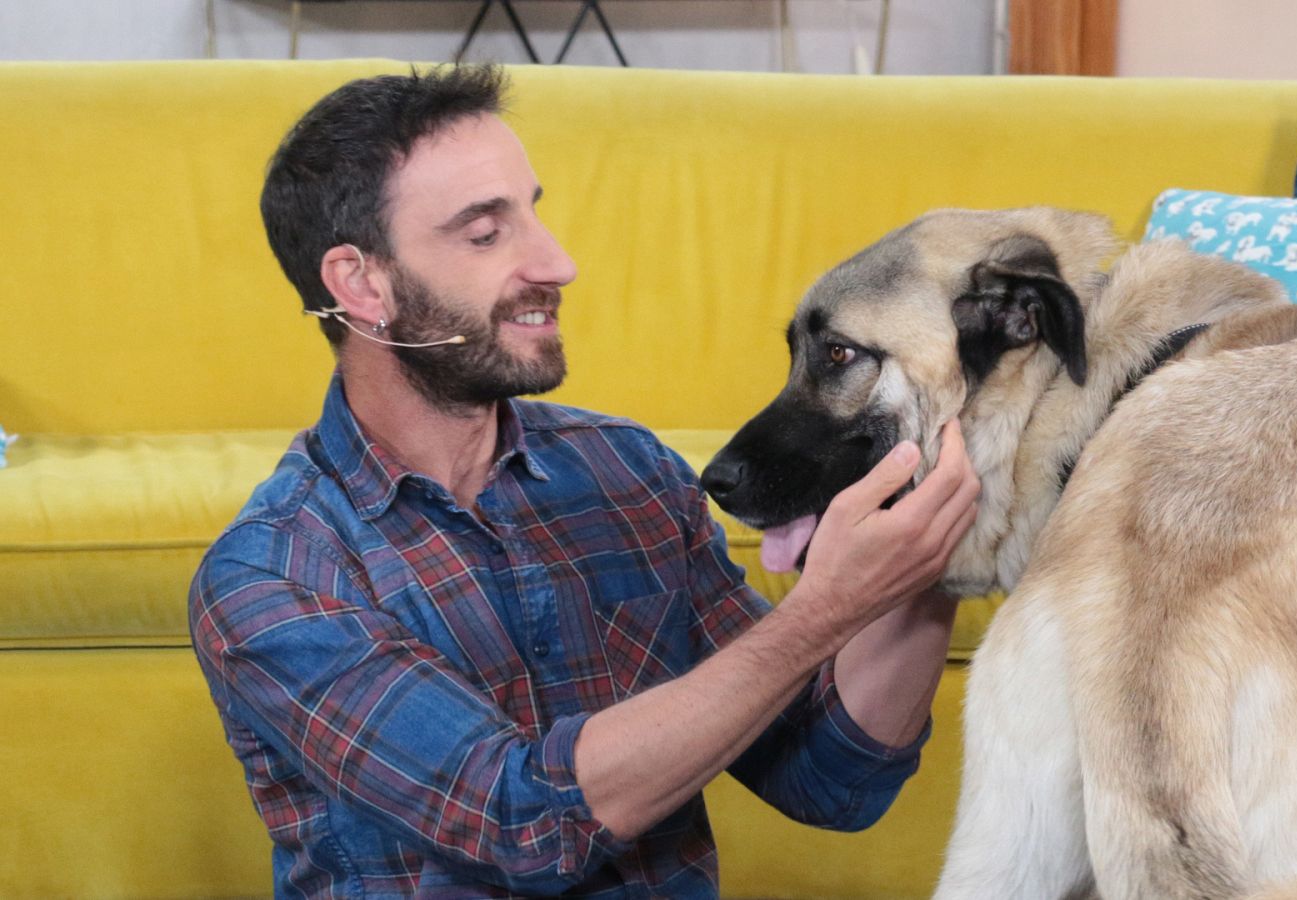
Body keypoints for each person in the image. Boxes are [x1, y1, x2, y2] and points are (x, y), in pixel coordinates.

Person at [188, 63, 980, 898]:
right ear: (361, 284)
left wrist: (931, 560)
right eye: (485, 234)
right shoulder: (273, 578)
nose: (557, 262)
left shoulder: (627, 474)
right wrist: (826, 609)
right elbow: (520, 824)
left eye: (535, 212)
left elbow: (829, 779)